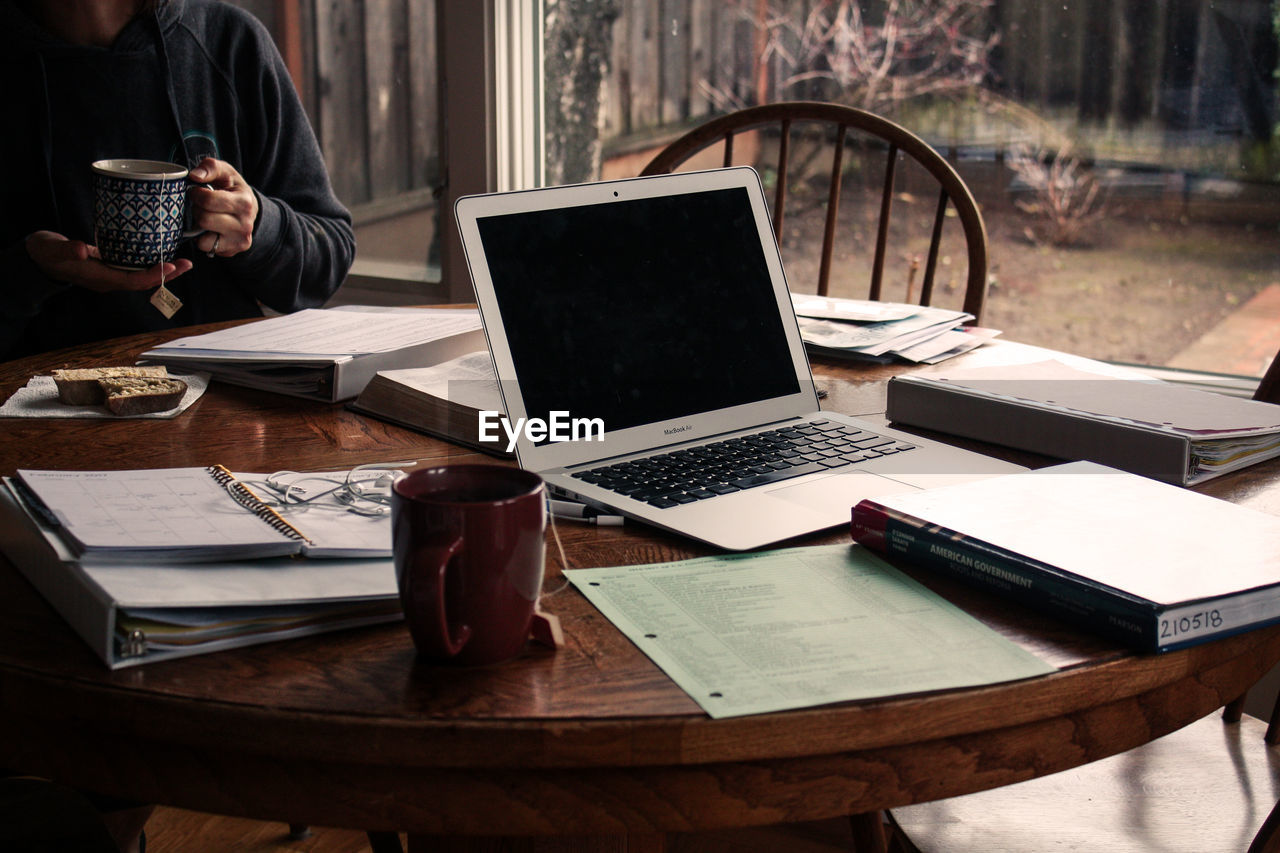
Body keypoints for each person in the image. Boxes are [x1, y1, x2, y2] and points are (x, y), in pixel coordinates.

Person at [0, 0, 356, 361]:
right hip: (39, 405)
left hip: (230, 397)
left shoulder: (227, 41)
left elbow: (328, 259)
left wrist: (259, 226)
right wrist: (30, 271)